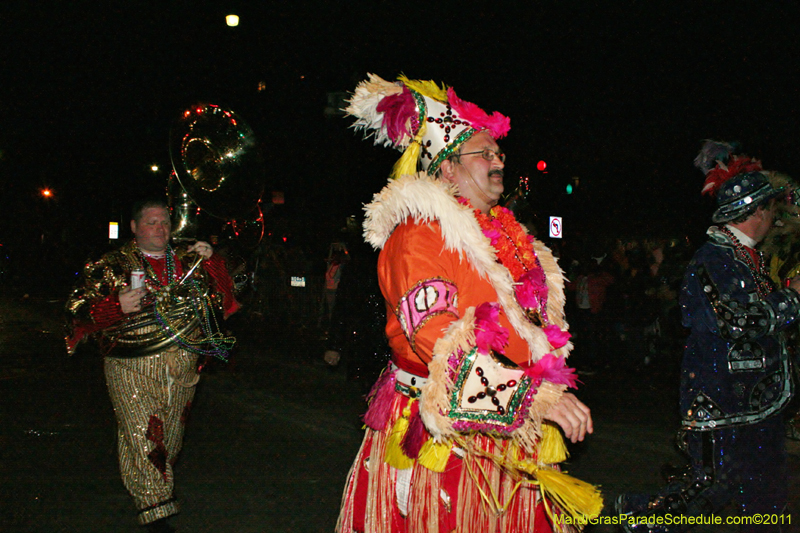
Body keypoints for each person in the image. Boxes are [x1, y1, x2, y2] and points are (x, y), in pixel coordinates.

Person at [335, 74, 600, 533]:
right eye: (485, 153)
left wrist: (541, 386)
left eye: (499, 153)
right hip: (447, 439)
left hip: (514, 427)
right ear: (447, 168)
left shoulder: (511, 238)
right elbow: (436, 339)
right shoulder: (418, 234)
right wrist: (534, 396)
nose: (498, 161)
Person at [616, 141, 800, 532]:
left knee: (762, 497)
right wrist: (793, 298)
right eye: (772, 210)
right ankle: (634, 517)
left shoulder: (742, 257)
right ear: (758, 212)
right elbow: (738, 321)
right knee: (711, 491)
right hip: (725, 405)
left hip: (752, 404)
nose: (776, 219)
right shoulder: (714, 259)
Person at [65, 198, 240, 533]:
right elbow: (76, 311)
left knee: (168, 442)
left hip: (183, 368)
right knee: (146, 436)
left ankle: (150, 491)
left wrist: (213, 261)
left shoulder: (187, 260)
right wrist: (114, 307)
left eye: (165, 222)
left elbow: (224, 301)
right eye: (151, 222)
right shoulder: (111, 264)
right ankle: (157, 514)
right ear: (134, 227)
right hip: (130, 366)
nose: (160, 229)